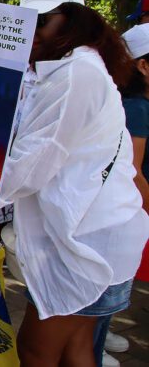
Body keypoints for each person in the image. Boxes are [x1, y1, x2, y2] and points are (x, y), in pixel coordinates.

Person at [0, 0, 149, 366]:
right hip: (97, 237)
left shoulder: (74, 75)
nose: (30, 31)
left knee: (35, 348)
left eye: (40, 20)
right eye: (26, 21)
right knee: (77, 348)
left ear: (72, 19)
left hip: (86, 246)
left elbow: (32, 165)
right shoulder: (77, 67)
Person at [103, 22, 149, 367]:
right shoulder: (136, 109)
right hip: (129, 211)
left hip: (130, 215)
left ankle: (98, 335)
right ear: (143, 66)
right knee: (110, 280)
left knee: (119, 279)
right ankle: (92, 342)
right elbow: (133, 171)